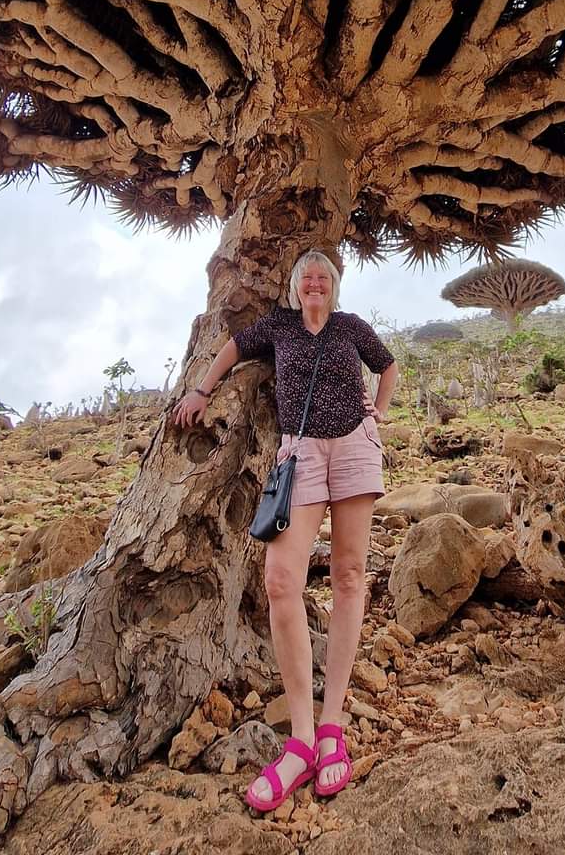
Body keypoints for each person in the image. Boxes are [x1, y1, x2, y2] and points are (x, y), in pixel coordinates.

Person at [172, 249, 398, 810]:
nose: (315, 282)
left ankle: (332, 725)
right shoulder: (280, 326)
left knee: (348, 575)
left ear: (335, 286)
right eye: (306, 276)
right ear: (296, 289)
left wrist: (378, 415)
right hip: (298, 456)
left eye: (324, 275)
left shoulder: (351, 328)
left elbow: (388, 366)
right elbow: (234, 346)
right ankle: (300, 737)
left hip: (353, 450)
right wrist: (201, 389)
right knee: (280, 580)